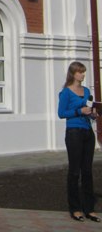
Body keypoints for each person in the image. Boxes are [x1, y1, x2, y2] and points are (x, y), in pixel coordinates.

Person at [58, 61, 100, 222]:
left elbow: (89, 109)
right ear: (73, 74)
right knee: (75, 171)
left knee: (87, 171)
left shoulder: (87, 91)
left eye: (83, 72)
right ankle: (75, 208)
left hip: (87, 132)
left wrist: (93, 113)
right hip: (74, 132)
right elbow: (61, 113)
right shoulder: (66, 92)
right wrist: (79, 111)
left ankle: (89, 209)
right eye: (80, 72)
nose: (83, 75)